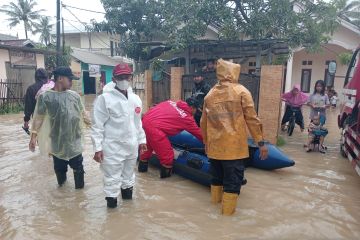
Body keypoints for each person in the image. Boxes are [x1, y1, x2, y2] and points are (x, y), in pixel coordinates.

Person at [200, 59, 268, 216]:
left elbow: (203, 121)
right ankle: (226, 221)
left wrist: (206, 142)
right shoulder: (241, 91)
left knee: (216, 179)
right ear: (234, 72)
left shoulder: (209, 95)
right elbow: (252, 119)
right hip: (234, 150)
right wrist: (260, 142)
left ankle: (214, 212)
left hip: (215, 149)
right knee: (232, 183)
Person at [91, 63, 147, 208]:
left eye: (126, 76)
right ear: (114, 78)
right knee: (111, 180)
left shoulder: (135, 99)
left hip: (131, 146)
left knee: (129, 178)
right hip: (112, 148)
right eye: (120, 77)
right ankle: (112, 214)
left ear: (131, 77)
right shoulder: (104, 99)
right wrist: (97, 148)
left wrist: (142, 140)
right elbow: (97, 126)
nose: (123, 79)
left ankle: (128, 215)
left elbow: (138, 123)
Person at [29, 67, 90, 189]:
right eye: (70, 79)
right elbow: (39, 118)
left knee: (79, 171)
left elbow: (84, 114)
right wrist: (33, 136)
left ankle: (79, 198)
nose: (72, 82)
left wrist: (92, 125)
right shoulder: (45, 97)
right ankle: (62, 196)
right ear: (60, 78)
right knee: (60, 175)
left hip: (75, 141)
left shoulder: (75, 96)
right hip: (57, 143)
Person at [138, 99, 203, 178]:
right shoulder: (187, 118)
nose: (196, 112)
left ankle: (141, 173)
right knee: (167, 156)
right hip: (155, 130)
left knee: (146, 150)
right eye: (196, 110)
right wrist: (210, 143)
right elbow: (199, 134)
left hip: (145, 121)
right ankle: (165, 183)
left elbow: (155, 108)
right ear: (192, 108)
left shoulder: (170, 102)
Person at [23, 68, 49, 134]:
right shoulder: (51, 87)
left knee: (40, 141)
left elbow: (28, 108)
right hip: (52, 120)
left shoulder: (31, 89)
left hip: (38, 120)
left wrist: (26, 123)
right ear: (46, 76)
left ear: (36, 77)